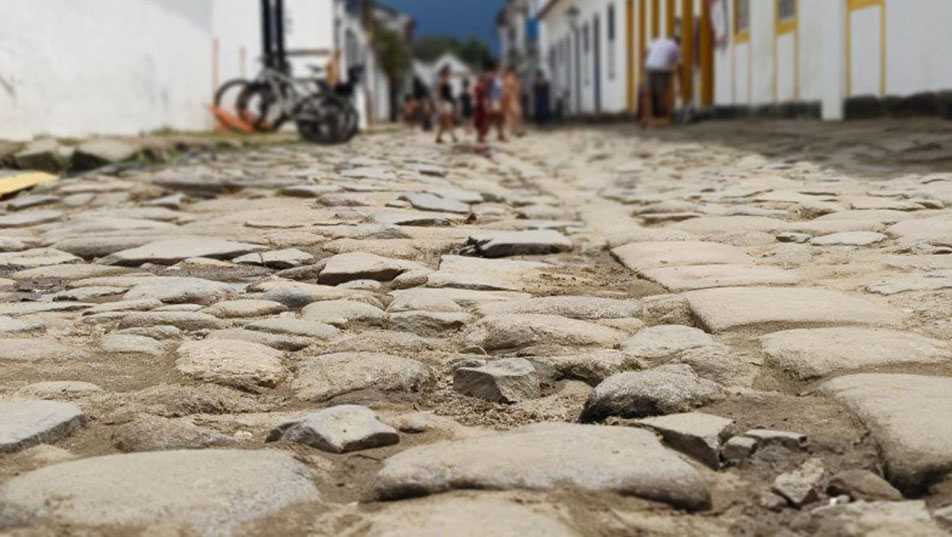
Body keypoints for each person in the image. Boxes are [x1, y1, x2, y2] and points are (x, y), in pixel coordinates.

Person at [643, 35, 681, 123]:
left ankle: (647, 116)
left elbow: (645, 52)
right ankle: (664, 116)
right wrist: (678, 86)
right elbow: (675, 67)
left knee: (647, 93)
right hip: (663, 69)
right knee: (662, 94)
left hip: (649, 67)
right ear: (678, 43)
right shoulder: (675, 47)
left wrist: (645, 64)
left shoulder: (658, 41)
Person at [433, 65, 458, 144]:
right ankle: (453, 136)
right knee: (447, 119)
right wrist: (441, 102)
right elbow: (439, 92)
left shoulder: (445, 80)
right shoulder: (441, 80)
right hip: (443, 102)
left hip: (446, 102)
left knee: (444, 121)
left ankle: (438, 137)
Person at [501, 66, 523, 137]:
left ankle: (514, 130)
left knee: (514, 114)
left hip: (512, 97)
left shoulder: (509, 78)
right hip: (510, 97)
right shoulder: (509, 78)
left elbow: (516, 88)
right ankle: (514, 130)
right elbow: (507, 88)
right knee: (513, 114)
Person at [486, 61, 506, 141]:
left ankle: (500, 134)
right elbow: (487, 89)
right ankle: (499, 134)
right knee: (494, 118)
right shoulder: (490, 76)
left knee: (498, 118)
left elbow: (501, 89)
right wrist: (488, 100)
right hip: (493, 99)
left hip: (498, 100)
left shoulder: (498, 77)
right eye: (499, 67)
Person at [473, 69, 490, 144]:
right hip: (481, 104)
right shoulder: (481, 86)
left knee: (480, 120)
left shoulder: (478, 85)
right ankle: (481, 137)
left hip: (479, 103)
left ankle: (479, 137)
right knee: (483, 120)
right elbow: (484, 96)